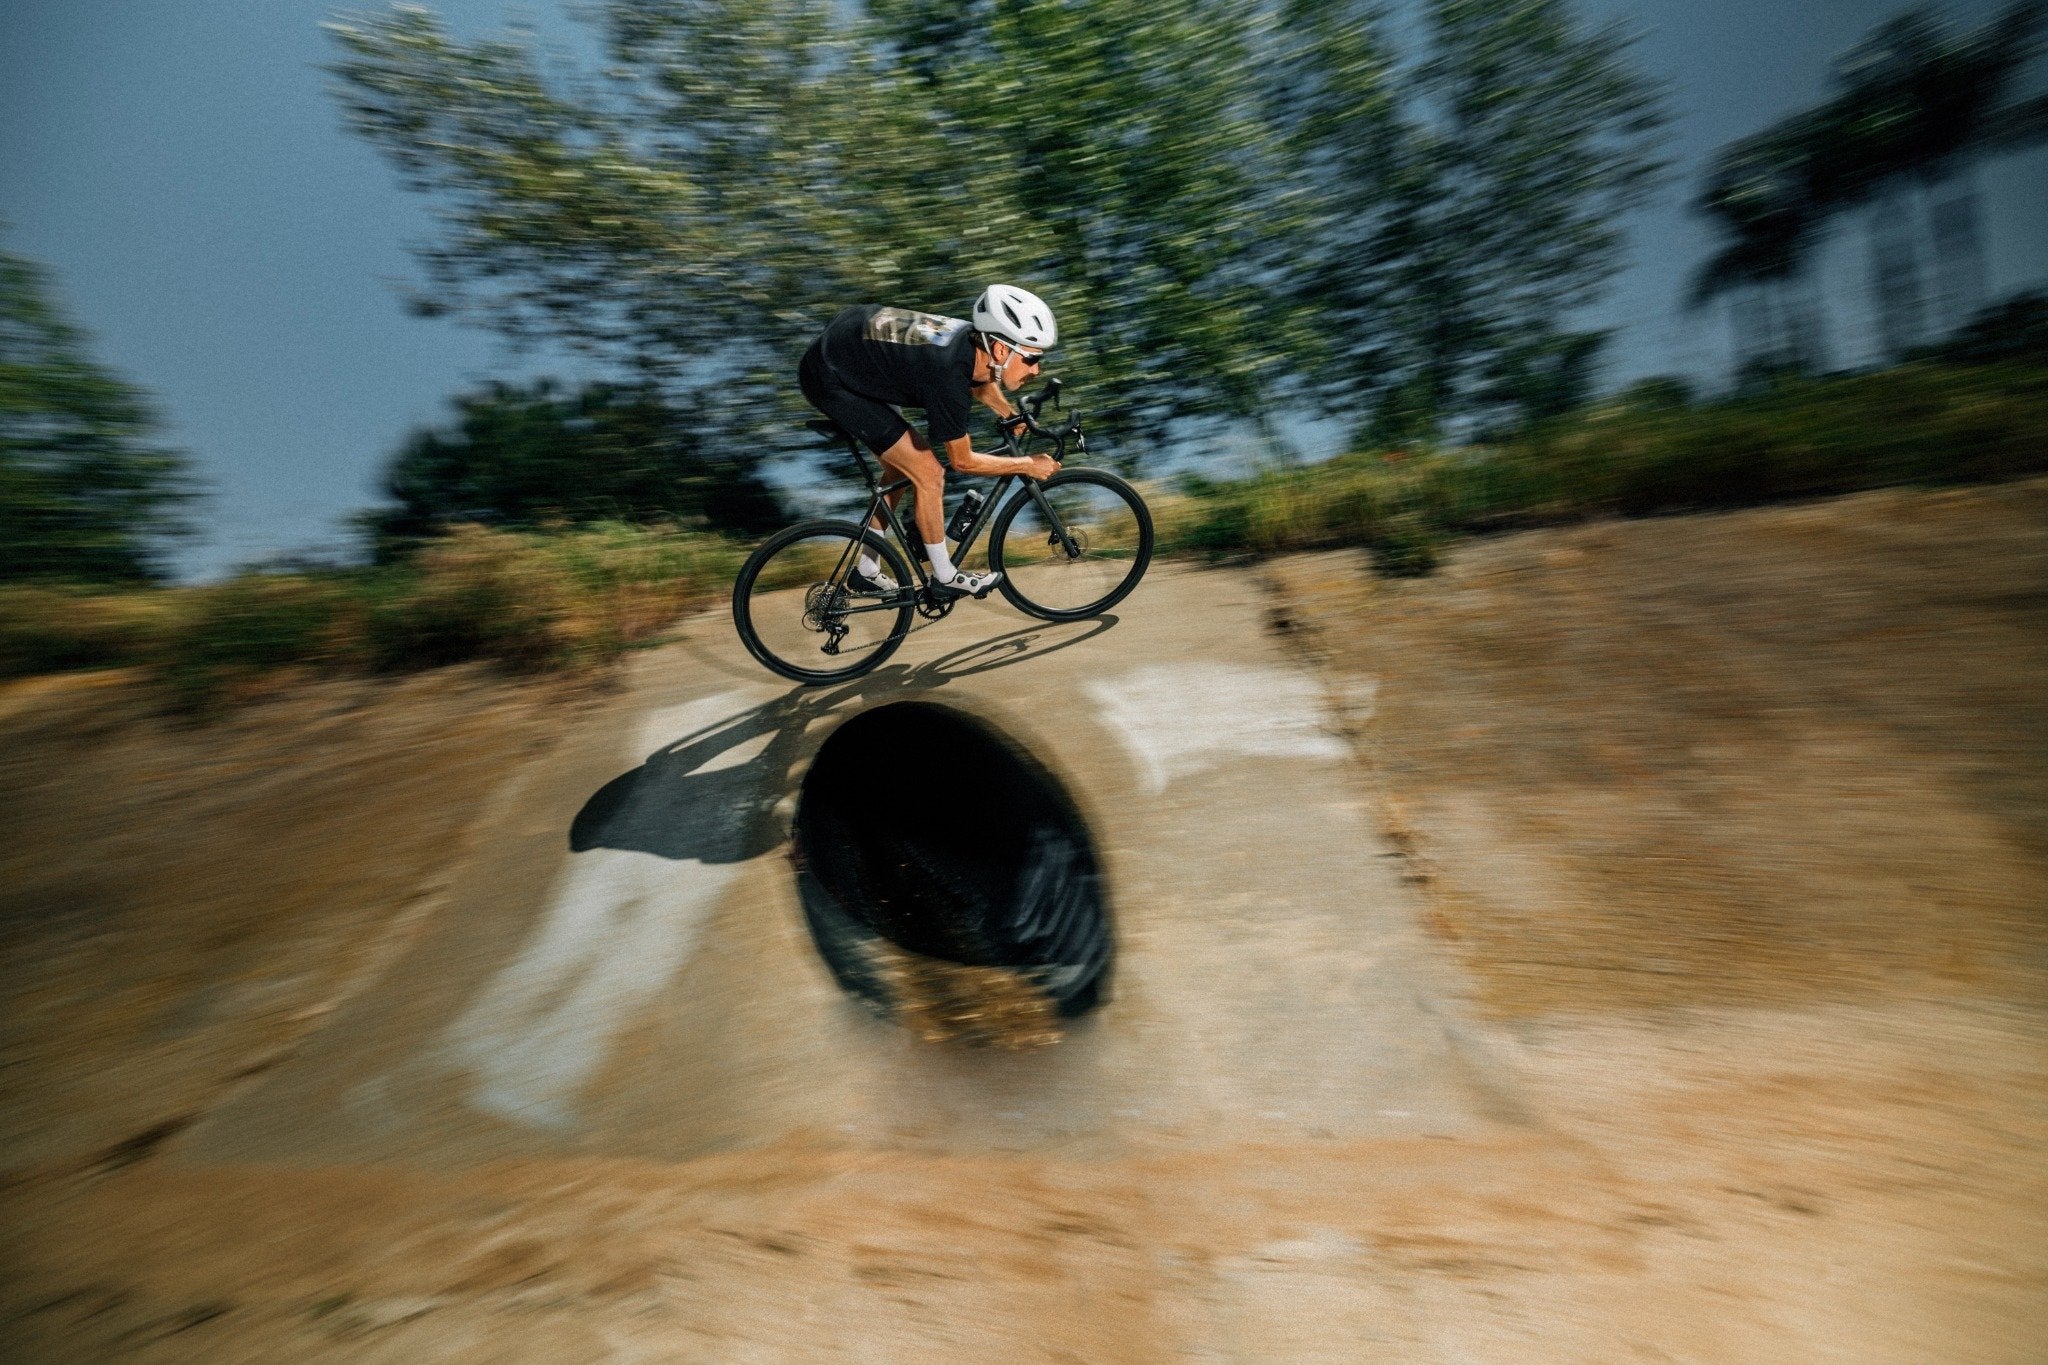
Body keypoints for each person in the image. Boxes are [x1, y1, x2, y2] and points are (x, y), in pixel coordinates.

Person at [798, 284, 1062, 598]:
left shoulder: (974, 343)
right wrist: (1027, 465)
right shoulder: (948, 374)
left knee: (901, 469)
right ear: (1002, 350)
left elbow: (981, 378)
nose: (1037, 370)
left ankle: (866, 572)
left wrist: (1008, 413)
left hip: (857, 348)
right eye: (1031, 359)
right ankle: (944, 577)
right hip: (831, 377)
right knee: (929, 473)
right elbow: (962, 462)